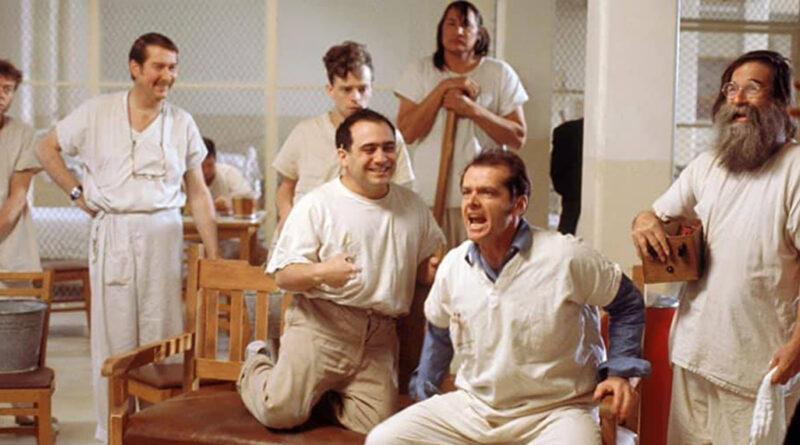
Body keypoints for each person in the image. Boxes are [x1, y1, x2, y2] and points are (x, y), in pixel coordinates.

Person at [366, 150, 649, 444]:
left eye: (487, 192)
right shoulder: (453, 265)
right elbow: (439, 331)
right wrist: (425, 392)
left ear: (519, 204)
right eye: (466, 192)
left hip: (558, 412)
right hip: (475, 408)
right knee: (384, 440)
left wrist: (619, 372)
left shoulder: (566, 256)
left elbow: (627, 303)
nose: (472, 202)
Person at [35, 32, 219, 442]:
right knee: (114, 337)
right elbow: (45, 148)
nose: (167, 76)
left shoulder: (182, 123)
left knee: (162, 333)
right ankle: (113, 431)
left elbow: (199, 194)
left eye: (173, 67)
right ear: (135, 68)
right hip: (114, 231)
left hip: (163, 233)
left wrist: (212, 254)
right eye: (158, 67)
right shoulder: (97, 112)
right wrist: (76, 193)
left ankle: (159, 430)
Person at [238, 108, 444, 433]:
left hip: (380, 337)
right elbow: (283, 275)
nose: (381, 158)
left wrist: (434, 271)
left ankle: (321, 396)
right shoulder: (317, 204)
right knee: (280, 412)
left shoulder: (413, 206)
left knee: (377, 428)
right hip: (321, 326)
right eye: (369, 149)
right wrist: (322, 272)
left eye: (388, 148)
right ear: (343, 156)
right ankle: (257, 360)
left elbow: (421, 268)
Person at [631, 50, 800, 445]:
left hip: (758, 367)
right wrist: (644, 222)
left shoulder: (794, 169)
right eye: (731, 89)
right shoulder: (709, 164)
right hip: (694, 354)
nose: (738, 100)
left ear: (780, 101)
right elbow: (655, 215)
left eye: (752, 89)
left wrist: (798, 345)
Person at [395, 0, 528, 247]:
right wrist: (442, 89)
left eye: (466, 25)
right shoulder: (420, 71)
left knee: (480, 263)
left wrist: (471, 110)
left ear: (480, 33)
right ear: (441, 29)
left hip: (484, 197)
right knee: (432, 264)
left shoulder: (499, 73)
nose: (458, 31)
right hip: (430, 195)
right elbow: (406, 133)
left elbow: (517, 137)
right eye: (451, 23)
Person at [273, 41, 414, 235]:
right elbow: (286, 187)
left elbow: (404, 194)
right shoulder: (305, 133)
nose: (356, 97)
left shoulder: (389, 138)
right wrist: (286, 215)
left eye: (362, 89)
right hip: (306, 233)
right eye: (347, 89)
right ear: (330, 90)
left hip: (365, 234)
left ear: (371, 88)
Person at [0, 59, 40, 273]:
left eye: (7, 89)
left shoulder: (23, 134)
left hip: (10, 241)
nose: (2, 95)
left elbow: (18, 196)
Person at [201, 136, 253, 213]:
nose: (206, 171)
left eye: (210, 165)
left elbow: (248, 196)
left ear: (215, 160)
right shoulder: (186, 179)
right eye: (201, 167)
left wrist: (230, 203)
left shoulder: (229, 173)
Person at [550, 117, 583, 235]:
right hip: (572, 205)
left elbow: (557, 177)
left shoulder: (565, 131)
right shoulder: (566, 132)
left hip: (570, 208)